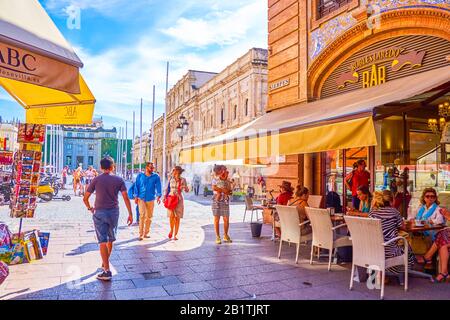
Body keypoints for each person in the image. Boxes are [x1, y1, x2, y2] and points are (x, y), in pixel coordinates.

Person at [83, 157, 133, 281]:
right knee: (110, 239)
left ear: (101, 167)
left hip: (99, 212)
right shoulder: (118, 179)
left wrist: (90, 208)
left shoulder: (96, 179)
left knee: (102, 241)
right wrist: (130, 213)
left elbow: (85, 198)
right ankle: (105, 262)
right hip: (114, 212)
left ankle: (106, 269)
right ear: (112, 167)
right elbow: (126, 197)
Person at [369, 190, 414, 276]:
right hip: (390, 253)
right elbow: (403, 227)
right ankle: (401, 273)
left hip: (373, 251)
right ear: (392, 200)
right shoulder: (394, 212)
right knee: (407, 247)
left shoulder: (372, 212)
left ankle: (383, 274)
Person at [417, 207, 449, 283]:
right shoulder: (421, 208)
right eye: (427, 196)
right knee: (442, 240)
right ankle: (444, 272)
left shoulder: (436, 208)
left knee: (442, 235)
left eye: (432, 196)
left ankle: (427, 257)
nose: (430, 198)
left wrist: (447, 215)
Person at [133, 162, 162, 241]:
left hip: (151, 198)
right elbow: (136, 186)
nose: (152, 169)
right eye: (151, 167)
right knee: (142, 215)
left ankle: (146, 232)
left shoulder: (156, 176)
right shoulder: (140, 176)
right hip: (141, 198)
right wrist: (136, 196)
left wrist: (159, 196)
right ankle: (141, 234)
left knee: (149, 216)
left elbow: (158, 186)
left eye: (153, 168)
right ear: (146, 167)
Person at [163, 166, 189, 241]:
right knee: (171, 216)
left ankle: (176, 234)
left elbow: (187, 190)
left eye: (174, 170)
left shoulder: (183, 180)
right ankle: (171, 230)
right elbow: (167, 188)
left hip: (179, 199)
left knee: (177, 217)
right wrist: (165, 197)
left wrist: (184, 187)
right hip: (171, 197)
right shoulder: (170, 179)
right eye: (173, 170)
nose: (173, 171)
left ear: (178, 172)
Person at [212, 165, 233, 244]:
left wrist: (224, 191)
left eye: (226, 170)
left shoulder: (227, 181)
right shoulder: (215, 179)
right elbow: (214, 188)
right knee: (217, 218)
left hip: (225, 200)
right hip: (216, 200)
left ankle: (225, 235)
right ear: (220, 171)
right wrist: (224, 190)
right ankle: (217, 236)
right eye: (224, 169)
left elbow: (230, 192)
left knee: (226, 219)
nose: (226, 171)